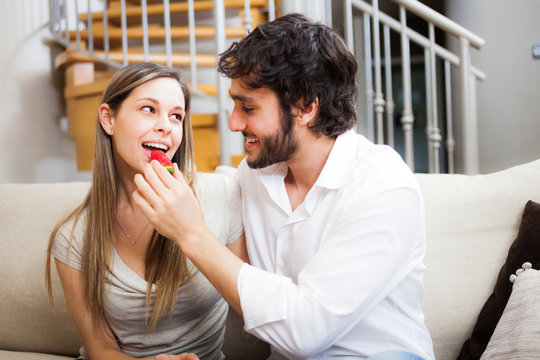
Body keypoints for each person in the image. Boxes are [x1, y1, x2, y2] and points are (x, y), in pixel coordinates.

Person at [133, 14, 435, 360]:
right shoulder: (253, 174)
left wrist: (192, 235)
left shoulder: (383, 188)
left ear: (305, 107)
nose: (233, 123)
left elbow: (305, 332)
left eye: (248, 107)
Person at [45, 62, 248, 360]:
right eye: (148, 109)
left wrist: (191, 230)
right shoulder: (73, 236)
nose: (166, 125)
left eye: (176, 116)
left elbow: (254, 305)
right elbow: (100, 349)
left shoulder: (222, 196)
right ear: (108, 119)